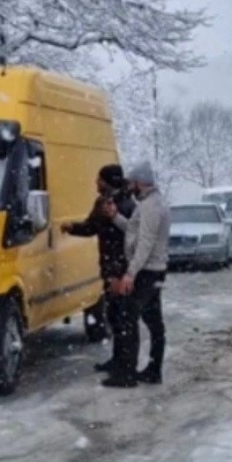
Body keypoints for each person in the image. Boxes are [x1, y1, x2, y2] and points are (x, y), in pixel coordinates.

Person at [61, 164, 137, 374]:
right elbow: (92, 227)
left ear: (107, 181)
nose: (96, 182)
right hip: (109, 268)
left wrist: (121, 273)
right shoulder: (103, 203)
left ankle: (125, 365)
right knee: (114, 317)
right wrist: (73, 228)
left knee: (123, 319)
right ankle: (118, 360)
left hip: (121, 271)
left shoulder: (127, 204)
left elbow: (133, 239)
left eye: (99, 179)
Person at [102, 161, 170, 388]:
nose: (128, 185)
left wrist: (130, 274)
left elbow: (145, 242)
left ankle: (128, 374)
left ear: (141, 183)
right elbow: (133, 231)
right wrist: (114, 217)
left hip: (147, 272)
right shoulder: (148, 204)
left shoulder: (150, 206)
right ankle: (153, 369)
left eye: (131, 182)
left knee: (127, 318)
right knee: (152, 320)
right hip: (153, 271)